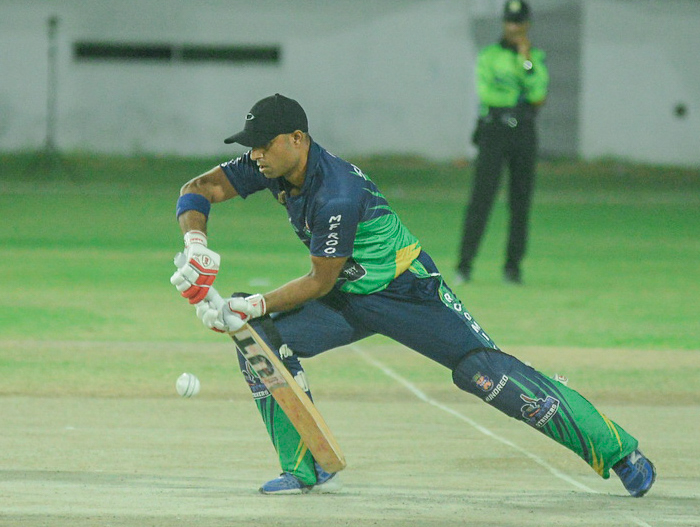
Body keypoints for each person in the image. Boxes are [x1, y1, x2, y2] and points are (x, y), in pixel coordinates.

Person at [170, 93, 655, 497]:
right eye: (251, 146)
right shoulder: (272, 166)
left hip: (409, 292)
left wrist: (251, 304)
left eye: (264, 145)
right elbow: (199, 187)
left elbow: (320, 280)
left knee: (485, 374)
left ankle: (620, 453)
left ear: (297, 139)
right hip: (349, 297)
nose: (256, 155)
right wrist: (196, 247)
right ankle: (305, 467)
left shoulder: (337, 192)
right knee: (257, 339)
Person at [456, 0, 549, 285]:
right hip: (494, 130)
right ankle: (464, 265)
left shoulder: (536, 57)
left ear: (527, 24)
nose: (513, 27)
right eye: (509, 21)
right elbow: (488, 93)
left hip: (523, 132)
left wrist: (525, 59)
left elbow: (538, 94)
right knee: (481, 199)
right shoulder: (489, 56)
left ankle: (513, 268)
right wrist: (516, 90)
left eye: (518, 22)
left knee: (520, 202)